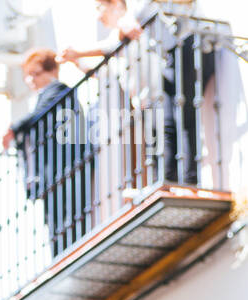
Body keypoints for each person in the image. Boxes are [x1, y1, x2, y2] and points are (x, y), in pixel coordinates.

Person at [58, 1, 215, 187]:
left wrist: (78, 53)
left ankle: (180, 182)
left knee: (171, 133)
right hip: (146, 101)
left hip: (160, 91)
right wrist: (77, 62)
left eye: (99, 8)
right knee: (158, 143)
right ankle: (166, 183)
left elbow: (113, 44)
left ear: (116, 4)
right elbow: (104, 73)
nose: (98, 16)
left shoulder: (129, 22)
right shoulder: (123, 30)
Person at [3, 50, 90, 260]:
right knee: (55, 218)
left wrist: (14, 129)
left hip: (64, 165)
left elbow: (38, 114)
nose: (30, 80)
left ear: (52, 71)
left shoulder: (58, 90)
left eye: (36, 73)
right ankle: (60, 257)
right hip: (54, 170)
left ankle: (66, 256)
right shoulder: (46, 96)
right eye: (28, 75)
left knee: (67, 215)